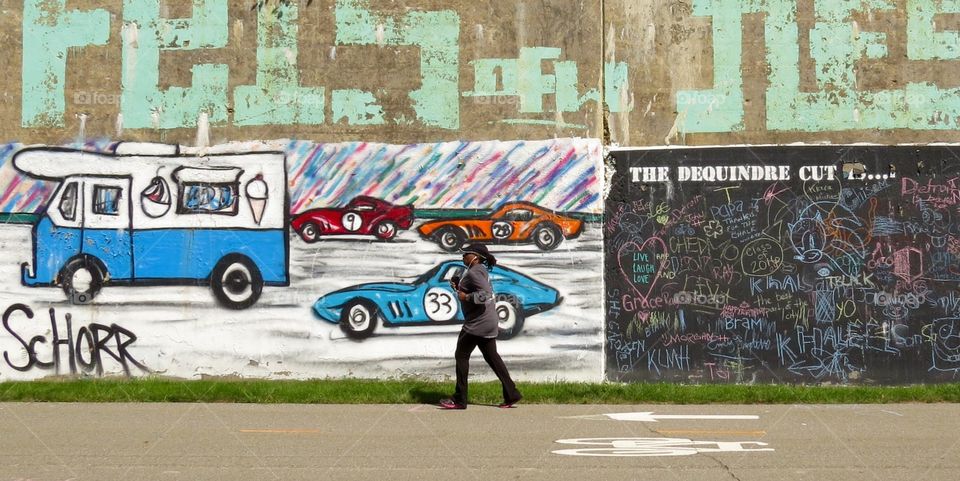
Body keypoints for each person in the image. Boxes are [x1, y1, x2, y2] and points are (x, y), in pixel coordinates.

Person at [439, 243, 523, 410]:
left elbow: (484, 295)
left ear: (475, 257)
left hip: (478, 323)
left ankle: (459, 399)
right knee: (492, 357)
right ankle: (512, 394)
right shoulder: (479, 270)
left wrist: (466, 296)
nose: (463, 256)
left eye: (466, 254)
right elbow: (476, 291)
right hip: (488, 321)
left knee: (461, 355)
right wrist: (459, 288)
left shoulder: (475, 271)